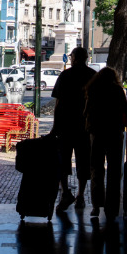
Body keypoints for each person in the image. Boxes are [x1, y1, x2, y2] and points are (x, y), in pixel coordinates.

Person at [51, 47, 96, 212]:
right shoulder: (92, 75)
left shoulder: (65, 75)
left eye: (71, 56)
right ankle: (81, 196)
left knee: (63, 161)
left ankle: (65, 193)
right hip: (85, 126)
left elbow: (58, 104)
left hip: (66, 125)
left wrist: (55, 127)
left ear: (75, 58)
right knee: (83, 161)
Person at [84, 67, 127, 220]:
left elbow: (86, 112)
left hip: (97, 132)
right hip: (114, 133)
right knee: (114, 170)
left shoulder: (93, 89)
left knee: (96, 169)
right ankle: (112, 208)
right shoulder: (117, 90)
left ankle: (96, 206)